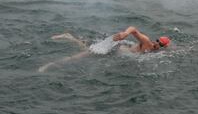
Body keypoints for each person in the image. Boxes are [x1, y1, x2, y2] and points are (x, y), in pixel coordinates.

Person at [38, 27, 170, 72]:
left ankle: (70, 37)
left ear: (163, 47)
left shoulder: (157, 51)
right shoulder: (147, 42)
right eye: (157, 40)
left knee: (88, 50)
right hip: (115, 48)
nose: (156, 43)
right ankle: (49, 65)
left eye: (160, 44)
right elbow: (133, 29)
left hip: (117, 53)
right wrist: (125, 33)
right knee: (81, 56)